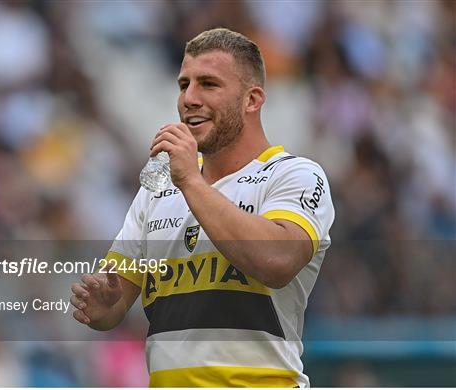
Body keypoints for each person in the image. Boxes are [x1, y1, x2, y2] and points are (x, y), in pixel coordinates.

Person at [70, 28, 334, 388]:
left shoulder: (294, 175)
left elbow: (276, 263)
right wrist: (102, 305)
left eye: (208, 84)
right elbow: (114, 302)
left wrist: (191, 182)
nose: (188, 98)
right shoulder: (158, 187)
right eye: (183, 85)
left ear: (252, 100)